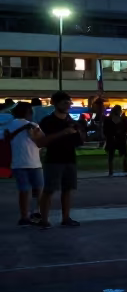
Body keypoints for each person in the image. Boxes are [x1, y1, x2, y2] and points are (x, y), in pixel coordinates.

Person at [37, 91, 83, 229]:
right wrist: (63, 133)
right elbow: (41, 142)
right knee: (49, 190)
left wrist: (79, 133)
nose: (68, 105)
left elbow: (79, 141)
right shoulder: (47, 121)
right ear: (55, 104)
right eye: (64, 102)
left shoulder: (71, 121)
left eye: (69, 102)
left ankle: (66, 217)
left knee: (68, 189)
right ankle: (44, 219)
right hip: (54, 159)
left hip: (70, 158)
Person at [5, 102, 45, 227]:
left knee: (24, 191)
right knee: (38, 189)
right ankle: (36, 211)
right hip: (34, 162)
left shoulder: (10, 124)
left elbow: (6, 139)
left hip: (18, 163)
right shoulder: (33, 125)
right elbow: (42, 141)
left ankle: (24, 216)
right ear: (28, 112)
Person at [103, 105, 127, 175]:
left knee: (111, 156)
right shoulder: (122, 119)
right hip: (120, 139)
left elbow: (105, 130)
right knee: (124, 155)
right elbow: (126, 128)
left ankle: (111, 171)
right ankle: (125, 169)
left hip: (112, 139)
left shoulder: (108, 119)